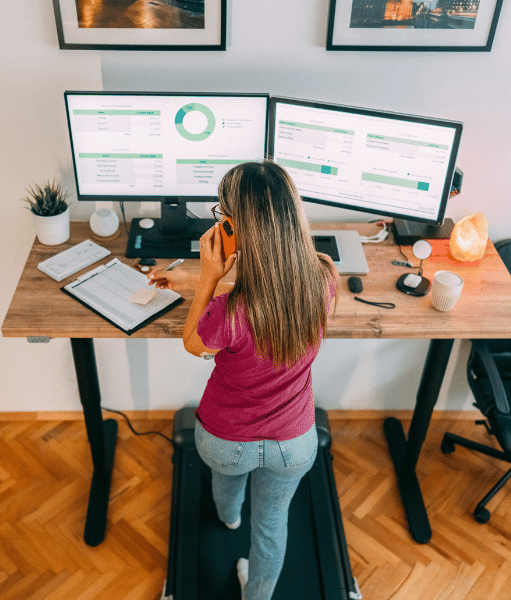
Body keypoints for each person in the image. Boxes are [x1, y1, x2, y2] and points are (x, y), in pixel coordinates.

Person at [148, 160, 338, 600]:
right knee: (273, 525)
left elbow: (194, 342)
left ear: (236, 228)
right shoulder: (325, 276)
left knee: (226, 484)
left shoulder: (227, 313)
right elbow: (270, 294)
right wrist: (194, 283)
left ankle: (229, 517)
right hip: (293, 444)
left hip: (225, 442)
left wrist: (208, 276)